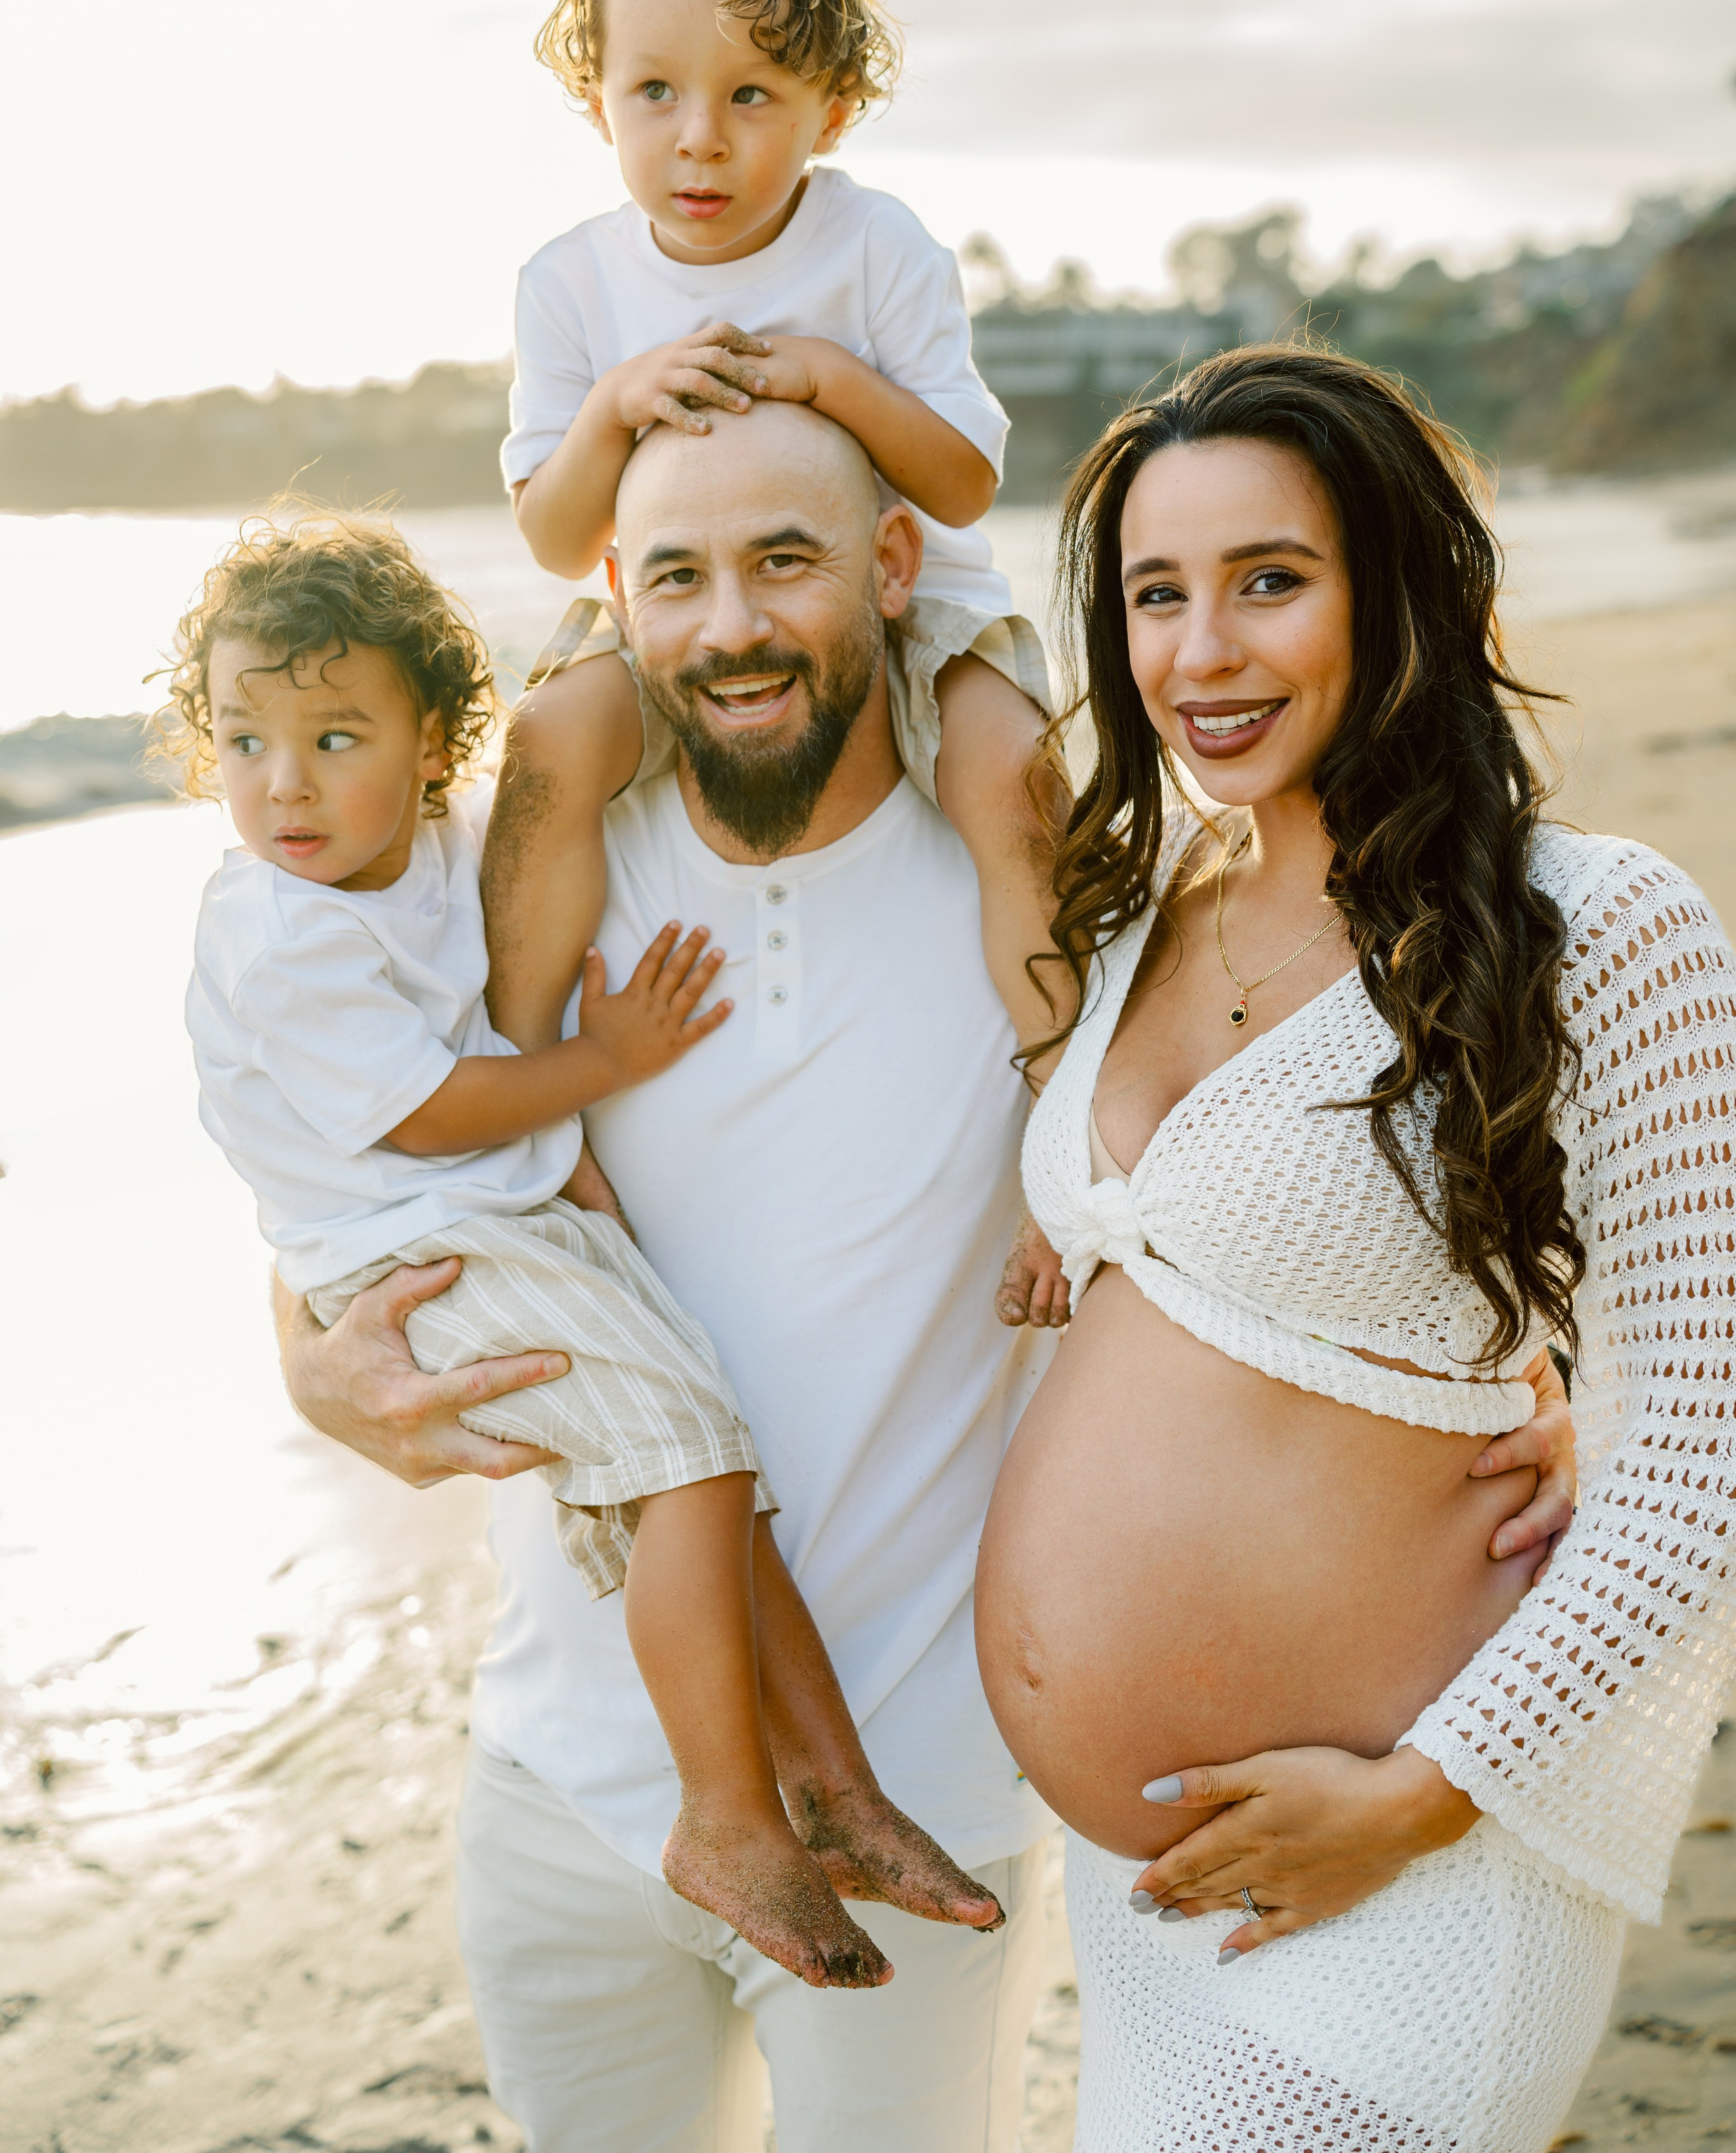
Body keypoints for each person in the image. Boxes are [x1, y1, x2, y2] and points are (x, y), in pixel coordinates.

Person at [273, 402, 1576, 2153]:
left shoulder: (1073, 916)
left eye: (786, 561)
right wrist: (305, 1361)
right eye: (678, 576)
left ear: (896, 570)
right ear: (615, 599)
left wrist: (1530, 1407)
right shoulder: (519, 899)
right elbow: (331, 1165)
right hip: (556, 1780)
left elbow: (1291, 1213)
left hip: (923, 1784)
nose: (732, 624)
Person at [981, 342, 1736, 2152]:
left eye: (1270, 582)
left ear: (1401, 588)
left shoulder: (1598, 922)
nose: (1203, 654)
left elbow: (1702, 1449)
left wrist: (1425, 1793)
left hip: (1415, 1856)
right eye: (1156, 595)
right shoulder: (1153, 912)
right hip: (1156, 1899)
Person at [170, 513, 1003, 1994]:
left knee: (714, 1486)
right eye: (242, 743)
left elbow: (573, 709)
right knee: (691, 1460)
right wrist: (603, 1055)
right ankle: (728, 1816)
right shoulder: (280, 931)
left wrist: (651, 604)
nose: (282, 786)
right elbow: (426, 1116)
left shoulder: (439, 843)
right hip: (415, 1244)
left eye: (333, 737)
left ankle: (835, 1792)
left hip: (485, 1221)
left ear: (432, 747)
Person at [482, 0, 1050, 1055]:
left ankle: (1060, 1080)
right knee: (543, 749)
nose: (700, 140)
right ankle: (529, 1073)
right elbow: (554, 540)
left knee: (1013, 783)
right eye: (654, 92)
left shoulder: (877, 246)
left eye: (752, 96)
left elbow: (963, 483)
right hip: (680, 615)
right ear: (598, 103)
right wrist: (614, 411)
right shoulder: (572, 284)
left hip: (910, 603)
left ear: (830, 109)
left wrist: (834, 382)